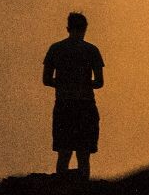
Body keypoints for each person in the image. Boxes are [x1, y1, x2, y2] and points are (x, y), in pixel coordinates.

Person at [43, 12, 104, 179]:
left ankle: (61, 194)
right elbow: (99, 82)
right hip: (85, 105)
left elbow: (46, 80)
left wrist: (64, 82)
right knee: (83, 155)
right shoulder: (92, 50)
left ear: (68, 28)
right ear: (85, 29)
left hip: (64, 104)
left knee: (64, 153)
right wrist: (83, 83)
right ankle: (84, 193)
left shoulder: (56, 49)